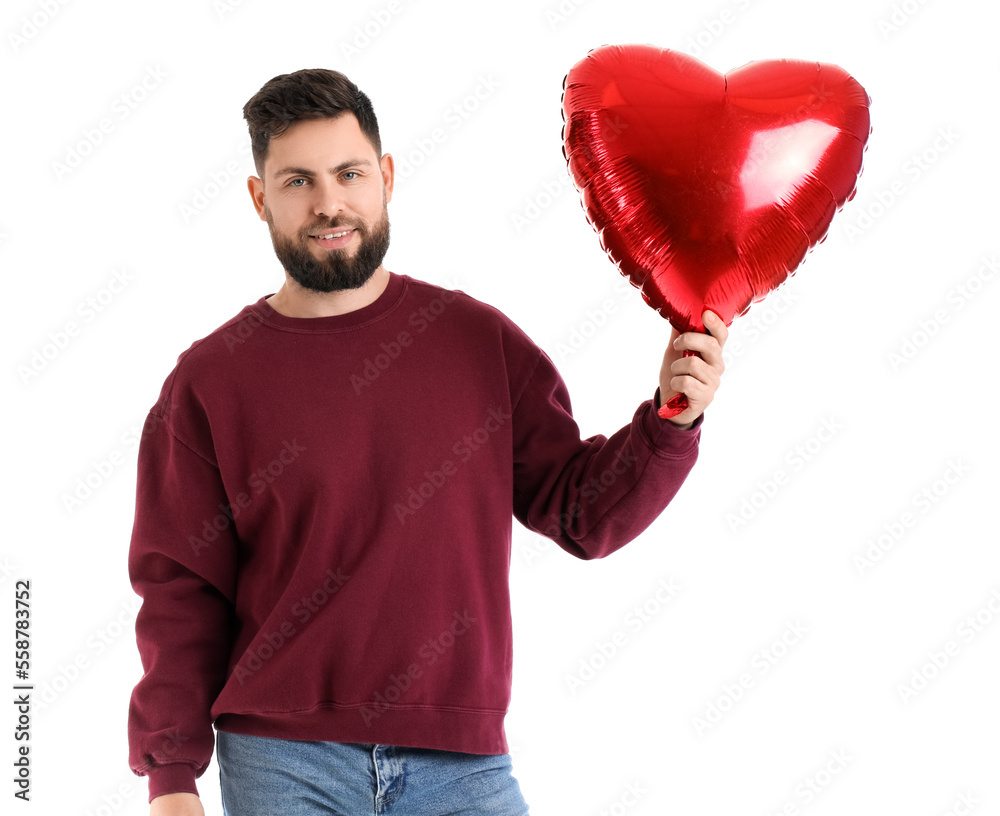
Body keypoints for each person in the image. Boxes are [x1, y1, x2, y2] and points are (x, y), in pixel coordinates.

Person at [127, 68, 727, 816]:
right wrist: (172, 780)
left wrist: (671, 420)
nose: (328, 203)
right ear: (260, 200)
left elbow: (582, 513)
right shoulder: (208, 383)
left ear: (383, 176)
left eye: (348, 173)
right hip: (283, 763)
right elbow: (180, 593)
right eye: (297, 182)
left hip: (463, 764)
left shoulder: (479, 344)